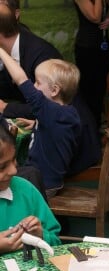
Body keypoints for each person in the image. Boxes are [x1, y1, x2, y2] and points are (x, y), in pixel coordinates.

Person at [0, 3, 101, 176]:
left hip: (73, 151)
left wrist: (5, 108)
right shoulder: (20, 41)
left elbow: (42, 102)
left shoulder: (41, 55)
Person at [0, 45, 81, 198]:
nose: (34, 86)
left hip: (42, 183)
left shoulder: (50, 112)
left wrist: (1, 51)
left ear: (55, 90)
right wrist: (38, 125)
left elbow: (21, 79)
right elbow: (58, 136)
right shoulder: (68, 113)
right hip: (54, 180)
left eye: (37, 83)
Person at [0, 116, 61, 254]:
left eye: (14, 159)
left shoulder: (26, 190)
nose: (14, 170)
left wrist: (41, 235)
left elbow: (56, 244)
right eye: (2, 167)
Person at [74, 0, 109, 128]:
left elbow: (102, 14)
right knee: (88, 92)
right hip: (87, 48)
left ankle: (96, 128)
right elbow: (95, 17)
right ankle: (88, 131)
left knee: (100, 89)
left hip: (103, 45)